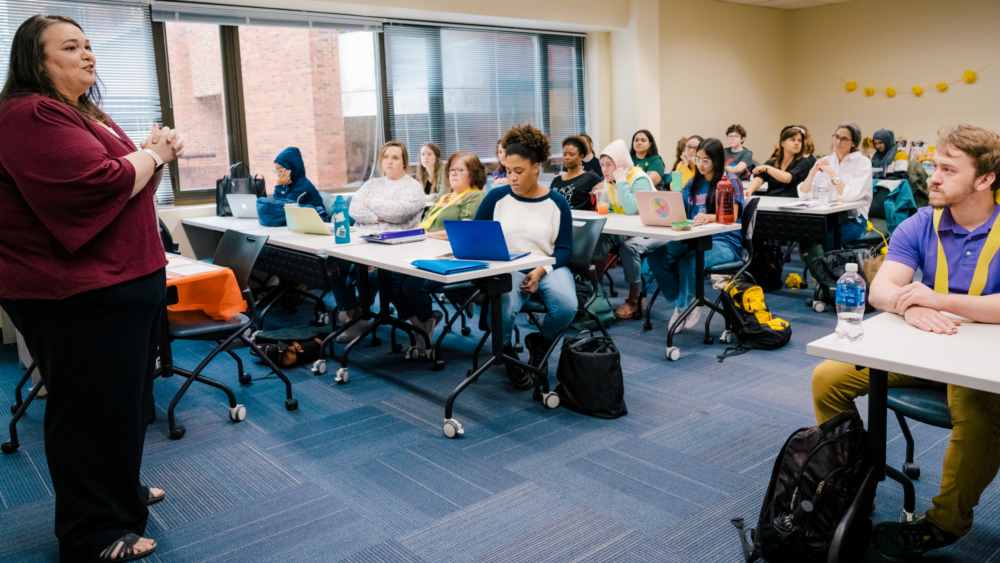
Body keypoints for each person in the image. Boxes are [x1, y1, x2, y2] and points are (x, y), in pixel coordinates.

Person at [0, 15, 184, 562]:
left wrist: (148, 152)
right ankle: (94, 532)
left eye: (90, 46)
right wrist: (155, 155)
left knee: (122, 404)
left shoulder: (79, 112)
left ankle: (120, 493)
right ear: (37, 60)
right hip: (76, 292)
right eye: (72, 47)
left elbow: (127, 175)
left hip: (121, 280)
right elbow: (95, 186)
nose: (89, 55)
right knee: (88, 411)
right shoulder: (29, 113)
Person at [811, 124, 1000, 562]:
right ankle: (857, 487)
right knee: (827, 378)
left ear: (985, 179)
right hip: (926, 349)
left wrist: (936, 299)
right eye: (935, 166)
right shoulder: (921, 222)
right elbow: (881, 290)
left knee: (981, 405)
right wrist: (910, 307)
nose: (932, 177)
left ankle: (943, 524)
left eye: (948, 169)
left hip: (983, 364)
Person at [474, 124, 575, 390]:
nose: (512, 178)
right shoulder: (495, 198)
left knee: (566, 306)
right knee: (505, 306)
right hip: (506, 266)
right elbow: (475, 237)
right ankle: (507, 351)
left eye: (519, 171)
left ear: (536, 167)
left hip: (547, 266)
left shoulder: (556, 203)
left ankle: (541, 341)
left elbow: (564, 250)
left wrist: (541, 270)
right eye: (508, 171)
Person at [391, 152, 486, 356]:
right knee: (387, 277)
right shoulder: (445, 197)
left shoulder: (476, 196)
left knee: (411, 285)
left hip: (452, 258)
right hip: (424, 252)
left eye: (460, 169)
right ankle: (423, 323)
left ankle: (423, 327)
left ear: (474, 173)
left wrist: (425, 235)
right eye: (451, 169)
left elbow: (464, 232)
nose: (453, 173)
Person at [646, 138, 744, 331]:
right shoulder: (692, 183)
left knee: (690, 262)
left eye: (706, 160)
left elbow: (732, 214)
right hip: (693, 238)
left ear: (716, 160)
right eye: (698, 159)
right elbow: (678, 209)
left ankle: (683, 307)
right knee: (656, 259)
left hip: (724, 241)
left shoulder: (731, 180)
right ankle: (690, 299)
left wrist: (710, 217)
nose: (700, 164)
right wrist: (661, 214)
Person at [333, 141, 425, 343]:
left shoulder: (413, 187)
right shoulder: (372, 184)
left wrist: (372, 203)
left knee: (375, 276)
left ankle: (365, 314)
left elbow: (400, 213)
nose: (389, 161)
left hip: (392, 250)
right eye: (385, 157)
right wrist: (379, 217)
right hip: (361, 244)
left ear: (404, 162)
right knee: (330, 263)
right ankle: (353, 313)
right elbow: (354, 209)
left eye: (395, 157)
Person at [588, 139, 661, 320]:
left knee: (629, 247)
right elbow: (612, 212)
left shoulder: (639, 178)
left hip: (653, 231)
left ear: (620, 165)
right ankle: (598, 292)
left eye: (608, 165)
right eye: (601, 165)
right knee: (597, 236)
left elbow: (631, 209)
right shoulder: (610, 181)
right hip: (629, 229)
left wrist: (621, 181)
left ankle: (634, 299)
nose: (603, 170)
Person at [798, 122, 873, 279]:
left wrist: (831, 173)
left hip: (853, 220)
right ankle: (826, 285)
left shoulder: (863, 163)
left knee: (821, 245)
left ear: (854, 143)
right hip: (827, 219)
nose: (838, 142)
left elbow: (849, 195)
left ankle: (826, 286)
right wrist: (813, 171)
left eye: (844, 139)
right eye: (836, 137)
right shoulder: (827, 160)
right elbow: (804, 194)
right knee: (806, 240)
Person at [745, 126, 812, 198]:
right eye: (792, 140)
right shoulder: (773, 161)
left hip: (792, 203)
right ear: (782, 143)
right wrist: (750, 189)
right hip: (771, 201)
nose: (797, 143)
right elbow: (760, 178)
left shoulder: (804, 162)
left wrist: (767, 168)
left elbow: (788, 178)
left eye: (799, 140)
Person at [550, 136, 601, 210]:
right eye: (564, 154)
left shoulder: (590, 177)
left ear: (581, 157)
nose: (567, 157)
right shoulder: (556, 181)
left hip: (582, 219)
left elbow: (607, 191)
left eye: (571, 154)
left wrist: (603, 185)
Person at [273, 146, 325, 214]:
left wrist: (278, 187)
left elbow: (281, 210)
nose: (278, 174)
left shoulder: (302, 188)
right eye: (276, 170)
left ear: (292, 169)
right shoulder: (289, 184)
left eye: (280, 170)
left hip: (317, 220)